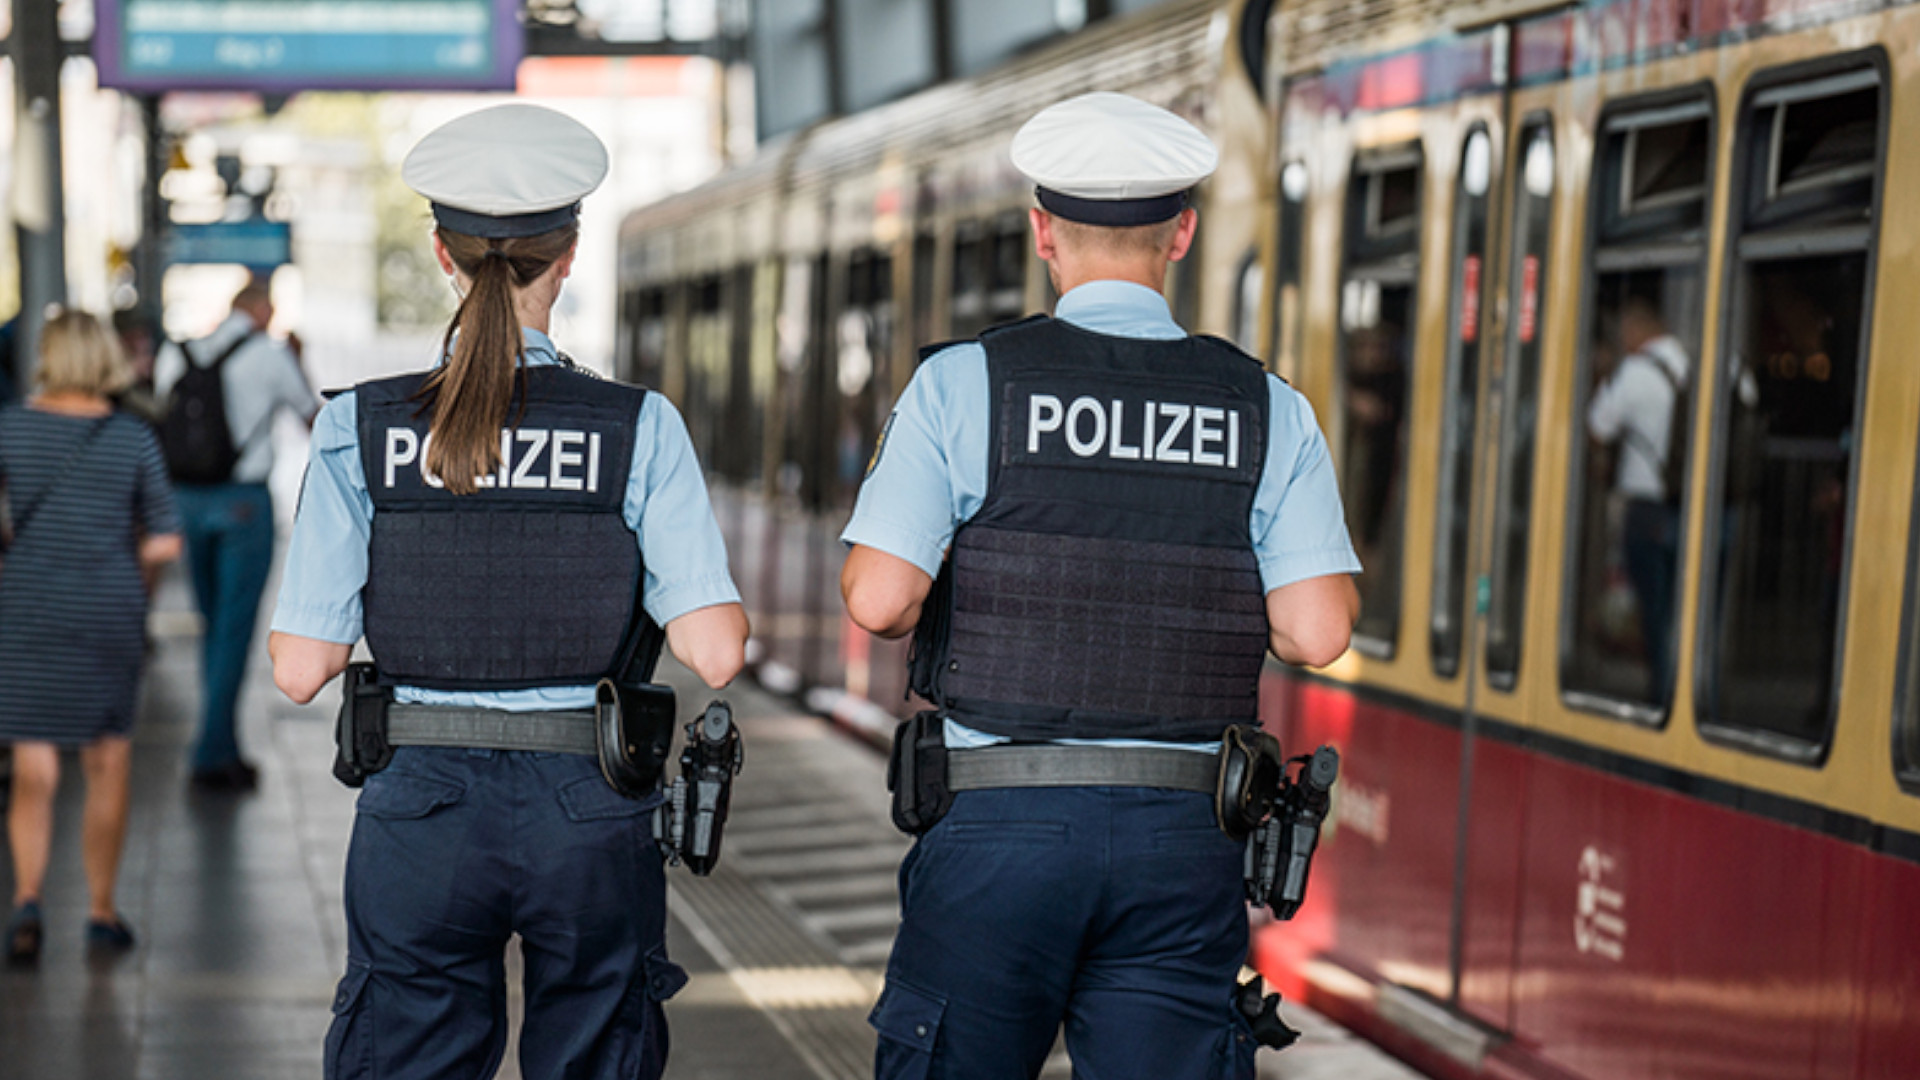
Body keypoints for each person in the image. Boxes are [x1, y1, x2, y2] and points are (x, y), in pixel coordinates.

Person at [840, 92, 1362, 1079]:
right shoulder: (1265, 407)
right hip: (1182, 839)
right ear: (1183, 234)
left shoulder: (965, 385)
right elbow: (1316, 629)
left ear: (1043, 233)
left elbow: (878, 602)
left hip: (999, 827)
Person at [265, 103, 748, 1080]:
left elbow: (300, 670)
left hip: (420, 811)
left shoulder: (362, 427)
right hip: (589, 807)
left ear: (442, 254)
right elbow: (715, 651)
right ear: (566, 257)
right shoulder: (638, 427)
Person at [0, 310, 183, 965]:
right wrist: (136, 580)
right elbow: (164, 539)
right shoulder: (131, 437)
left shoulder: (10, 428)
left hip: (25, 608)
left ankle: (27, 900)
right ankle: (101, 911)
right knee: (107, 761)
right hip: (107, 608)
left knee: (35, 765)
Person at [155, 279, 320, 790]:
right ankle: (211, 754)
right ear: (263, 308)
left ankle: (221, 743)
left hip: (187, 500)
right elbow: (313, 418)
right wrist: (298, 358)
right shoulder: (270, 355)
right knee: (232, 631)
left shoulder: (176, 351)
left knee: (212, 627)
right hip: (242, 504)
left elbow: (163, 414)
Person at [1586, 297, 1688, 701]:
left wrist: (1604, 375)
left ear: (1636, 331)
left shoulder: (1636, 371)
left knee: (1654, 609)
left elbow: (1598, 426)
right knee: (1688, 610)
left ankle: (1661, 694)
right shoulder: (1694, 363)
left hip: (1647, 508)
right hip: (1695, 508)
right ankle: (1692, 691)